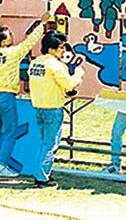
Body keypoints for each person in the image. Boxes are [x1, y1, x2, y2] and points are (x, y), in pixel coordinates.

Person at [0, 15, 47, 178]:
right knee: (10, 131)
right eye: (9, 34)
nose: (12, 35)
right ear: (3, 42)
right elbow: (29, 43)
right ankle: (2, 165)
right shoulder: (11, 53)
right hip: (6, 96)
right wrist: (42, 24)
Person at [28, 30, 84, 188]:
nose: (63, 51)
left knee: (44, 142)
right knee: (50, 144)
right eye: (61, 48)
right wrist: (78, 74)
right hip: (53, 108)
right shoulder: (56, 65)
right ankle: (41, 177)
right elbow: (69, 84)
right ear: (51, 49)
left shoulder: (35, 63)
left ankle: (43, 172)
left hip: (39, 107)